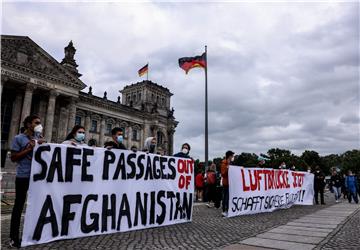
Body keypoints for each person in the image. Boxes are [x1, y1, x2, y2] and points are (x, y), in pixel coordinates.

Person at [9, 115, 46, 248]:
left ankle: (35, 233)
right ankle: (13, 237)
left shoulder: (39, 139)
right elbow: (13, 158)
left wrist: (42, 144)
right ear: (28, 124)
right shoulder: (18, 138)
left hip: (38, 178)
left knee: (38, 205)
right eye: (37, 122)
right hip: (23, 177)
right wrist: (29, 148)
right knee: (18, 207)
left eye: (40, 122)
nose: (39, 124)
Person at [220, 150, 235, 217]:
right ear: (229, 156)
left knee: (228, 197)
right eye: (232, 156)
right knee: (226, 197)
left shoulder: (230, 163)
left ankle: (228, 209)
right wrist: (227, 168)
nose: (233, 157)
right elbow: (223, 174)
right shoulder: (224, 163)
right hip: (226, 183)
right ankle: (224, 210)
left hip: (230, 183)